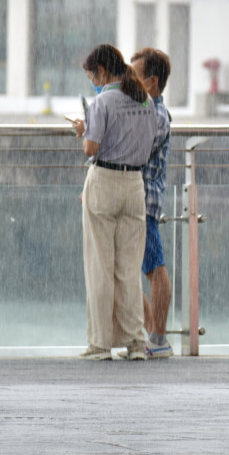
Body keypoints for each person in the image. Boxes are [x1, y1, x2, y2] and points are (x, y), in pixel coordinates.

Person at [72, 44, 157, 361]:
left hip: (105, 181)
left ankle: (100, 344)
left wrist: (83, 131)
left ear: (102, 72)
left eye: (92, 74)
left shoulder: (102, 101)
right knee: (129, 269)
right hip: (135, 184)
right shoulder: (145, 100)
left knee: (100, 267)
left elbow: (91, 148)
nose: (93, 80)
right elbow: (148, 143)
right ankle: (136, 342)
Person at [130, 47, 174, 358]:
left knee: (154, 269)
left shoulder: (156, 115)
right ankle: (151, 335)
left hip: (145, 202)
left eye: (135, 76)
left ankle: (159, 338)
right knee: (131, 269)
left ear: (152, 82)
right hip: (136, 200)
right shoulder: (144, 111)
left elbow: (136, 150)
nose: (129, 82)